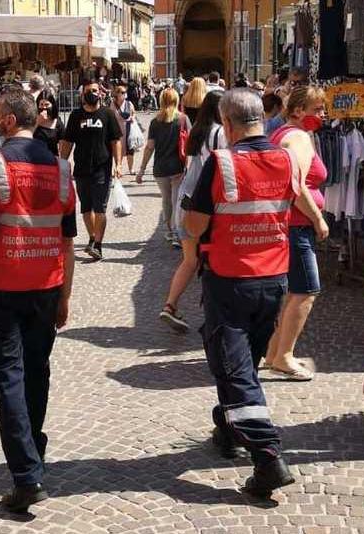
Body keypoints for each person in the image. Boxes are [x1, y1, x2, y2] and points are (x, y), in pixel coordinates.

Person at [0, 87, 77, 513]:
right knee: (36, 373)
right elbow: (68, 245)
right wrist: (65, 297)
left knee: (9, 377)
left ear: (8, 121)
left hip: (4, 291)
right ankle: (34, 450)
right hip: (46, 288)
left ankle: (26, 475)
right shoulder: (62, 170)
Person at [181, 88, 299, 498]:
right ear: (263, 120)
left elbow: (194, 226)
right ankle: (227, 428)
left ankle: (267, 457)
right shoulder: (286, 158)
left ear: (227, 125)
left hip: (229, 279)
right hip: (275, 279)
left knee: (236, 369)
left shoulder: (222, 162)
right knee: (242, 360)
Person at [263, 85, 330, 381]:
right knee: (306, 291)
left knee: (294, 292)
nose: (323, 115)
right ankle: (284, 357)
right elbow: (296, 184)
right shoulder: (299, 137)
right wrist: (318, 220)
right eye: (317, 109)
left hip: (287, 224)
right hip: (297, 225)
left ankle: (274, 352)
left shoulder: (280, 134)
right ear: (299, 110)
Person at [160, 90, 226, 332]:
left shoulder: (198, 131)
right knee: (213, 260)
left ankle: (170, 305)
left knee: (190, 260)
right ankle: (216, 314)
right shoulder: (219, 133)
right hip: (205, 206)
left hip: (186, 200)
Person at [59, 80, 122, 261]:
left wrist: (118, 164)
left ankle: (99, 246)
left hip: (102, 168)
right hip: (81, 169)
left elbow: (116, 140)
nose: (92, 93)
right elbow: (68, 141)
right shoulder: (75, 116)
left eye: (95, 90)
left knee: (100, 208)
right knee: (86, 208)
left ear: (100, 93)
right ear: (82, 94)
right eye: (89, 91)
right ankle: (93, 238)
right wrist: (62, 163)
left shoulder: (107, 114)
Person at [137, 88, 190, 247]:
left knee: (166, 200)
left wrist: (141, 170)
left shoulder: (155, 121)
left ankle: (169, 230)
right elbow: (190, 143)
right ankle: (175, 233)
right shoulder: (183, 119)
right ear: (176, 100)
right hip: (178, 167)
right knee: (176, 201)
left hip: (160, 168)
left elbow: (149, 147)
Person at [109, 84, 137, 175]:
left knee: (130, 149)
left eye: (125, 92)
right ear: (117, 94)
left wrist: (133, 117)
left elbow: (133, 113)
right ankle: (118, 168)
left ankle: (131, 169)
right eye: (122, 93)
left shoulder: (129, 103)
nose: (125, 94)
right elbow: (110, 116)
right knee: (118, 150)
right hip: (117, 129)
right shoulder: (113, 104)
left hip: (128, 128)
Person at [33, 90, 64, 156]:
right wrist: (37, 122)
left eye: (47, 105)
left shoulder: (57, 121)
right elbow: (27, 136)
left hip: (52, 159)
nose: (44, 107)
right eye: (41, 105)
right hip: (35, 158)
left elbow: (62, 143)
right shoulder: (33, 119)